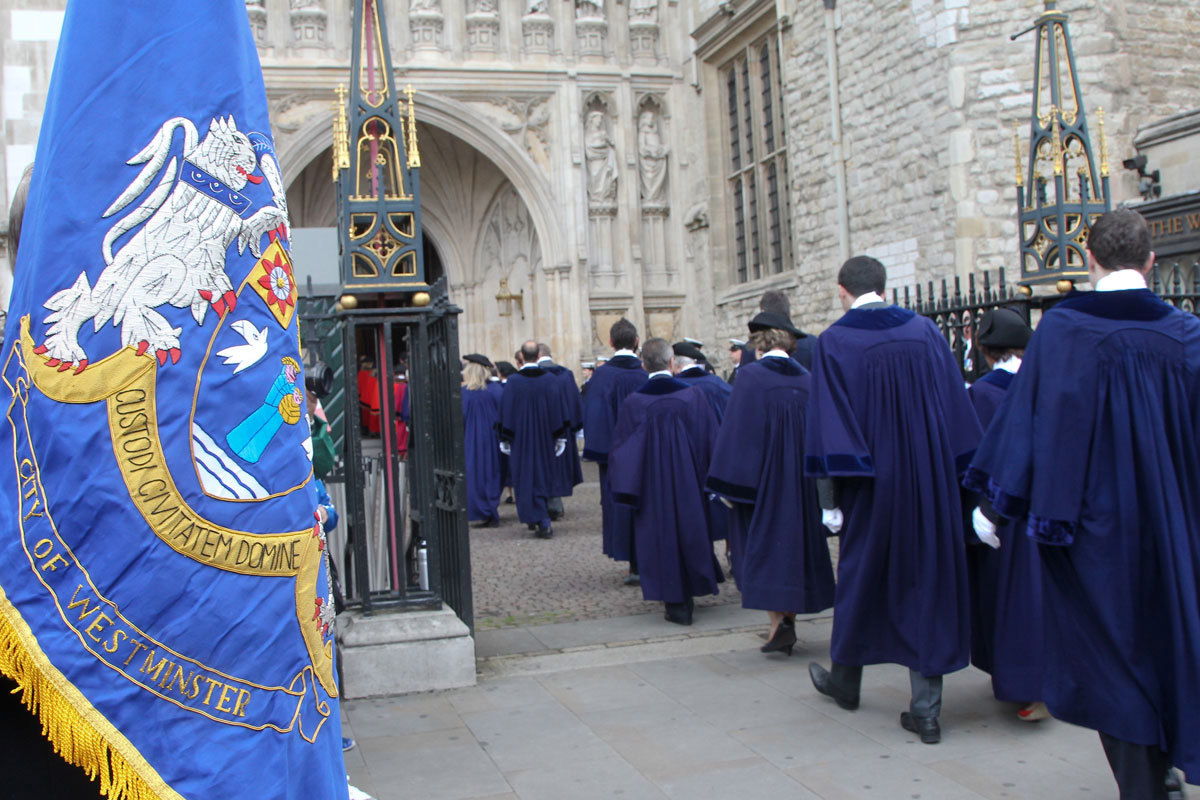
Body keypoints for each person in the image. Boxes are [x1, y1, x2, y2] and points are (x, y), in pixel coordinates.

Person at [965, 208, 1198, 798]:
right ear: (1151, 262)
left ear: (1089, 260)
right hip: (1178, 528)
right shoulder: (1187, 336)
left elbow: (1032, 425)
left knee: (1114, 661)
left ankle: (1144, 783)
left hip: (1097, 534)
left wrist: (994, 508)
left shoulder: (1065, 332)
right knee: (1174, 645)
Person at [804, 255, 981, 745]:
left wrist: (830, 498)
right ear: (884, 287)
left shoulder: (835, 342)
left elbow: (829, 427)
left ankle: (846, 681)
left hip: (873, 485)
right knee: (927, 578)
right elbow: (956, 408)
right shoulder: (924, 332)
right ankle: (926, 710)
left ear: (843, 290)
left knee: (861, 577)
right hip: (930, 481)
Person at [707, 312, 835, 656]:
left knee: (763, 550)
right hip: (804, 485)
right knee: (795, 550)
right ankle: (788, 620)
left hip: (764, 485)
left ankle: (778, 624)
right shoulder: (809, 379)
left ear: (759, 343)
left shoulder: (749, 378)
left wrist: (730, 487)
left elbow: (737, 434)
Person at [960, 308, 1047, 722]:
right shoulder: (1046, 386)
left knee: (1012, 597)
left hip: (1004, 510)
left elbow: (980, 459)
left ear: (986, 351)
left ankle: (1027, 684)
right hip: (1048, 507)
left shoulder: (983, 393)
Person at [609, 338, 723, 625]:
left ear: (644, 365)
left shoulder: (635, 402)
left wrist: (627, 488)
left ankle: (674, 601)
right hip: (689, 482)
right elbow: (710, 439)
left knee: (658, 537)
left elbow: (622, 449)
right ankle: (690, 591)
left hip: (650, 486)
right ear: (672, 362)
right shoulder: (693, 396)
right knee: (691, 531)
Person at [582, 319, 648, 583]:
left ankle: (632, 564)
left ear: (610, 342)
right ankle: (644, 559)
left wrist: (602, 452)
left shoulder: (601, 377)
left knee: (620, 506)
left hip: (614, 457)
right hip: (645, 455)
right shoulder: (645, 374)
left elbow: (593, 416)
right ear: (636, 342)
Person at [498, 341, 573, 538]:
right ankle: (540, 518)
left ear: (521, 356)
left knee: (525, 478)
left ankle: (539, 519)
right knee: (542, 476)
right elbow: (559, 409)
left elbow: (506, 411)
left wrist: (505, 438)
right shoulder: (550, 380)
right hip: (544, 438)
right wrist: (560, 437)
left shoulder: (514, 382)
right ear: (538, 354)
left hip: (521, 439)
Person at [535, 343, 584, 521]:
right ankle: (555, 502)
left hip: (539, 430)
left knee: (542, 467)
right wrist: (577, 427)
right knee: (558, 466)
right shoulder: (565, 374)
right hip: (564, 427)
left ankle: (549, 502)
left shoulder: (532, 375)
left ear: (538, 354)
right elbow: (574, 401)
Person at [462, 354, 502, 528]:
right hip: (493, 438)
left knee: (474, 476)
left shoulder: (463, 394)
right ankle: (491, 508)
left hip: (471, 439)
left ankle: (482, 510)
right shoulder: (496, 390)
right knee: (493, 474)